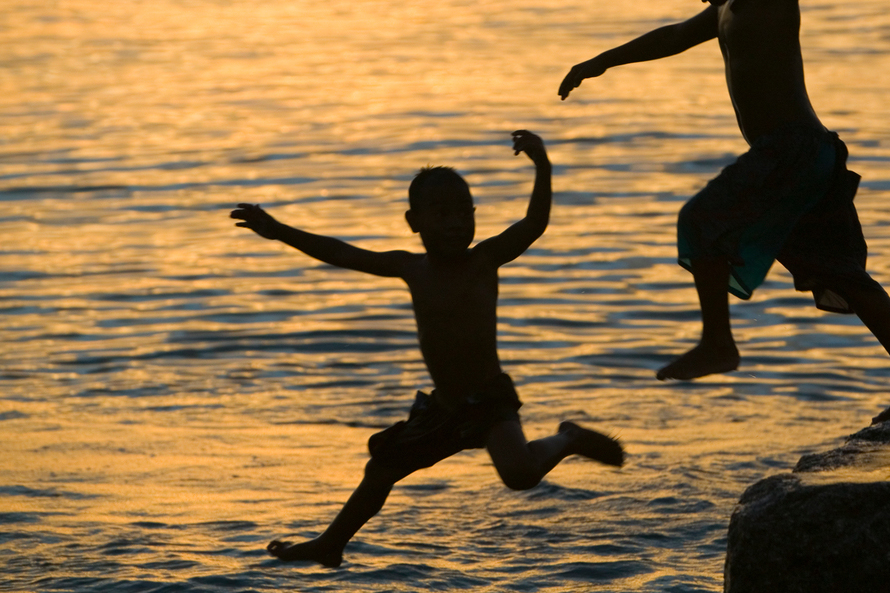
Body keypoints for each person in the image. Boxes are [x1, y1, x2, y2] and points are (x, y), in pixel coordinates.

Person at [558, 0, 890, 422]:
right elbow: (667, 37)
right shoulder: (724, 12)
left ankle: (718, 342)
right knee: (834, 269)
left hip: (795, 154)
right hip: (786, 160)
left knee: (702, 222)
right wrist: (599, 61)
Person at [230, 130, 624, 568]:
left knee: (520, 475)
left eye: (463, 212)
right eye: (441, 214)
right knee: (381, 470)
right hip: (444, 407)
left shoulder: (485, 259)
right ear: (414, 221)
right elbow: (342, 253)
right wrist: (279, 230)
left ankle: (566, 438)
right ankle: (331, 543)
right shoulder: (410, 267)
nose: (455, 223)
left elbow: (534, 224)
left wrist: (543, 166)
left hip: (488, 399)